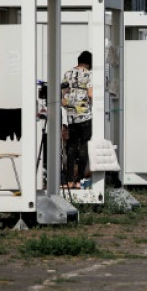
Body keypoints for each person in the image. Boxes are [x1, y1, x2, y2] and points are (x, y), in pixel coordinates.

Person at [61, 50, 93, 189]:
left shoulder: (68, 73)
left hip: (71, 116)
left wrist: (68, 105)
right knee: (84, 147)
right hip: (85, 116)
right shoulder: (89, 74)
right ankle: (79, 181)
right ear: (89, 63)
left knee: (71, 148)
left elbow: (63, 94)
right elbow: (91, 94)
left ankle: (69, 181)